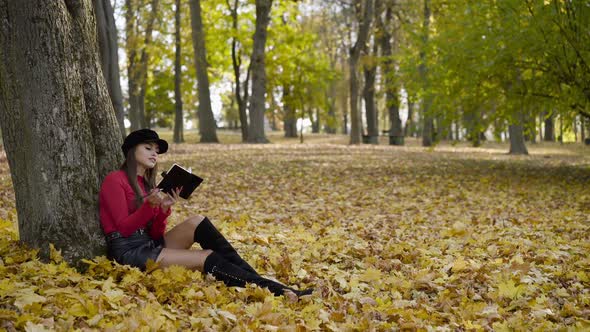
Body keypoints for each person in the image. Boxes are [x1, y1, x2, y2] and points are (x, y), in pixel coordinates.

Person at [99, 129, 312, 297]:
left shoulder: (147, 185)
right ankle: (279, 291)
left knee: (197, 221)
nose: (154, 153)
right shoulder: (114, 180)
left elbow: (155, 234)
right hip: (128, 252)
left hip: (148, 245)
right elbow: (123, 228)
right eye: (148, 148)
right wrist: (149, 206)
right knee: (206, 257)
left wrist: (163, 209)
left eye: (156, 150)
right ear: (131, 151)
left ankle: (258, 281)